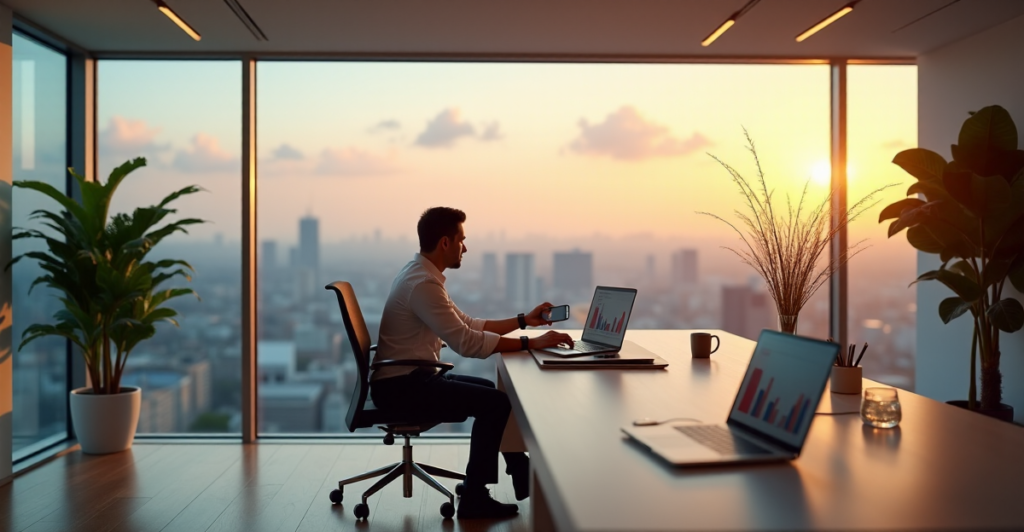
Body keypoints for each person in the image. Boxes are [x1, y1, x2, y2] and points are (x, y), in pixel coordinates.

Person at [370, 206, 574, 520]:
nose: (466, 247)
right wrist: (532, 343)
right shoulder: (423, 285)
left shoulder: (421, 274)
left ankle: (516, 471)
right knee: (494, 404)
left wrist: (524, 321)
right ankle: (478, 497)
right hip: (403, 386)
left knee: (490, 392)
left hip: (409, 378)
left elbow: (469, 324)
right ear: (445, 243)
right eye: (462, 239)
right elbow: (467, 343)